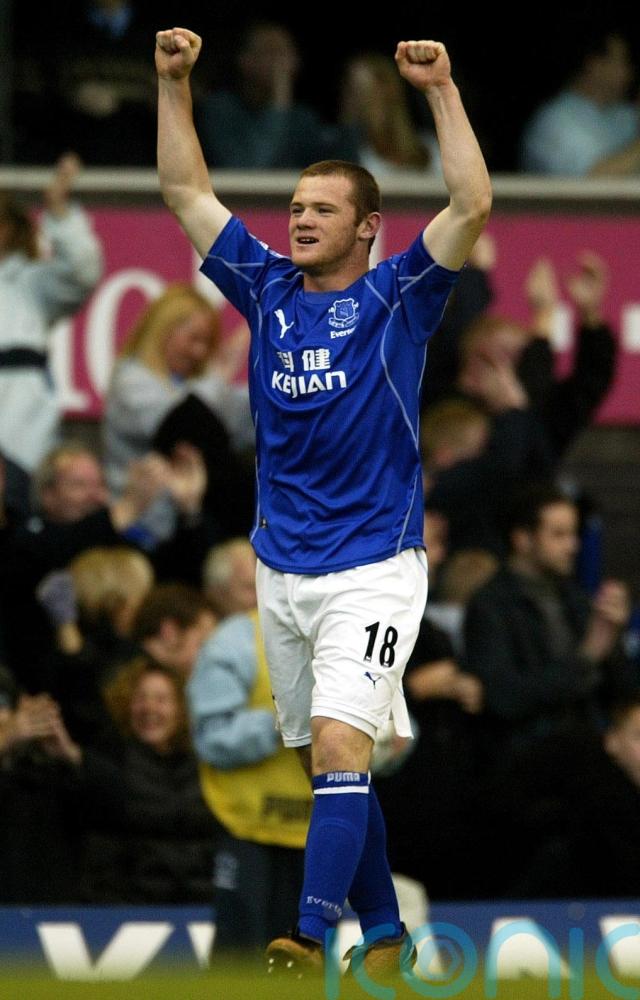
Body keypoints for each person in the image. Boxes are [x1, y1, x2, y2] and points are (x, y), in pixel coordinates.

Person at [155, 27, 491, 977]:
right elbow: (185, 191)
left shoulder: (399, 297)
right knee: (328, 763)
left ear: (367, 226)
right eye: (296, 207)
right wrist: (173, 84)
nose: (300, 220)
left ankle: (307, 935)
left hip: (374, 566)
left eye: (321, 210)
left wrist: (441, 90)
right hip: (281, 567)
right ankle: (384, 936)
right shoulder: (264, 289)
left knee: (344, 744)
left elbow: (472, 201)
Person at [0, 154, 103, 480]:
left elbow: (81, 272)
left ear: (7, 230)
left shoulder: (28, 284)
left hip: (21, 448)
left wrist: (58, 211)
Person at [520, 29, 640, 176]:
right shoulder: (555, 121)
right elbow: (592, 181)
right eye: (623, 61)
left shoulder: (623, 114)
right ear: (594, 65)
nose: (629, 72)